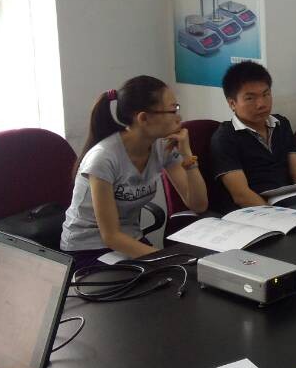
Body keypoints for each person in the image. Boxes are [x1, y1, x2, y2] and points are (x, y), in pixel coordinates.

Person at [60, 76, 208, 268]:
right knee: (168, 275)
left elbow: (198, 205)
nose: (179, 117)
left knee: (179, 277)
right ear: (143, 118)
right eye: (173, 110)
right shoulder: (103, 159)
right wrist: (167, 257)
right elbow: (111, 236)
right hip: (88, 249)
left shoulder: (162, 147)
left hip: (129, 239)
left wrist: (187, 155)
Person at [210, 61, 296, 211]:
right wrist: (279, 216)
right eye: (250, 98)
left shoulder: (281, 124)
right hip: (253, 212)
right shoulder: (225, 137)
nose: (261, 104)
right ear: (232, 103)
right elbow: (241, 195)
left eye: (266, 94)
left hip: (289, 203)